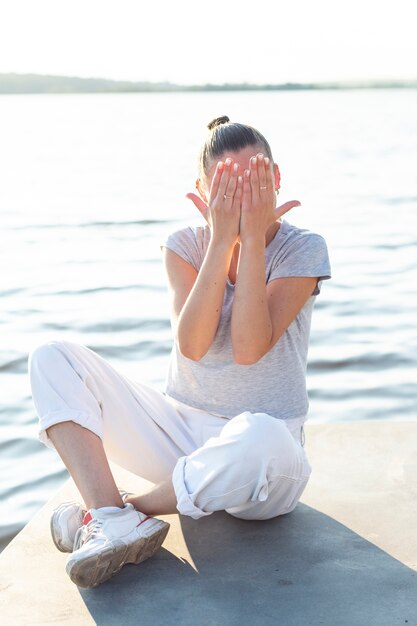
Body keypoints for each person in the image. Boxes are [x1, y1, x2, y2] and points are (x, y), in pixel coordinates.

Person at [28, 115, 331, 589]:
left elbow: (250, 347)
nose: (241, 197)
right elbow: (192, 346)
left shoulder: (304, 248)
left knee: (262, 435)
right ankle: (112, 518)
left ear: (274, 179)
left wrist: (251, 239)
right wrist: (222, 238)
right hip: (179, 433)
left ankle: (122, 513)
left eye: (252, 181)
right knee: (51, 356)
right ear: (204, 191)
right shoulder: (184, 245)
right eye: (227, 186)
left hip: (264, 466)